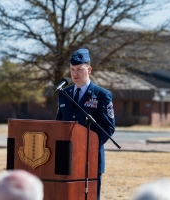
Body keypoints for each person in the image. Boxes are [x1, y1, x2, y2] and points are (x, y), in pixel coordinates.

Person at [56, 48, 115, 200]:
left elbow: (108, 127)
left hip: (90, 156)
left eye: (79, 70)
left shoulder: (102, 95)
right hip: (67, 156)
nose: (75, 74)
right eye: (72, 69)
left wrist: (89, 145)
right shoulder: (64, 93)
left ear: (89, 70)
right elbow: (58, 124)